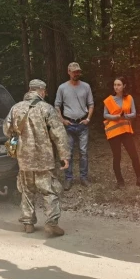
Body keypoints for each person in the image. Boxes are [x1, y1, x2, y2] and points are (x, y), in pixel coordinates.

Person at [4, 79, 71, 237]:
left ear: (29, 90)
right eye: (44, 91)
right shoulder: (46, 109)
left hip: (24, 158)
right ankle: (52, 224)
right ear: (41, 91)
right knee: (50, 191)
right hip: (43, 159)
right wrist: (64, 155)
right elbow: (59, 134)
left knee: (27, 191)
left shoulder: (15, 108)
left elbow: (7, 130)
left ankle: (28, 223)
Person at [55, 62, 94, 190]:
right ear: (68, 72)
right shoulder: (62, 88)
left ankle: (83, 178)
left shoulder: (86, 86)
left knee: (83, 152)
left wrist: (88, 118)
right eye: (74, 71)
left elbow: (91, 104)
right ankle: (68, 179)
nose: (76, 74)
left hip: (82, 123)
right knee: (68, 153)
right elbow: (57, 106)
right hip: (69, 124)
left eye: (78, 71)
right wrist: (62, 120)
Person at [102, 77, 140, 188]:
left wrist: (124, 116)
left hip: (126, 130)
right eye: (115, 84)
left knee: (134, 155)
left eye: (119, 85)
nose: (116, 87)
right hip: (113, 131)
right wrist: (115, 117)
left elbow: (134, 113)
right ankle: (120, 181)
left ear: (124, 86)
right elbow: (105, 115)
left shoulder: (129, 98)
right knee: (117, 156)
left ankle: (139, 178)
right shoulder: (108, 100)